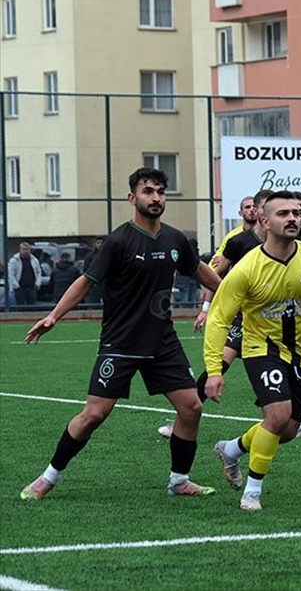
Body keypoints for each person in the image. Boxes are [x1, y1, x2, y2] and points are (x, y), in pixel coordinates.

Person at [19, 167, 224, 501]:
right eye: (148, 191)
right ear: (133, 198)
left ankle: (179, 480)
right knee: (94, 414)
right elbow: (86, 281)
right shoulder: (118, 241)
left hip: (162, 340)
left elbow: (202, 273)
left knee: (191, 408)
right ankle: (48, 477)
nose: (155, 197)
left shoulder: (175, 240)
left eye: (160, 191)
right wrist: (54, 316)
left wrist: (237, 299)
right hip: (121, 341)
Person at [204, 190, 301, 512]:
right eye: (283, 213)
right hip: (261, 349)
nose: (292, 218)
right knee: (276, 415)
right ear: (264, 221)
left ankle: (231, 448)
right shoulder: (247, 268)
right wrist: (215, 370)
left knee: (286, 430)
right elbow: (218, 319)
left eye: (296, 213)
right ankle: (252, 492)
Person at [8, 242, 48, 307]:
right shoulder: (14, 261)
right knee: (20, 307)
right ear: (20, 250)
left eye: (27, 249)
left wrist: (37, 284)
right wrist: (16, 286)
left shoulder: (35, 260)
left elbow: (38, 272)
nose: (26, 251)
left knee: (32, 307)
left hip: (32, 288)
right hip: (20, 288)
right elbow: (11, 274)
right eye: (24, 249)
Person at [82, 236, 105, 305]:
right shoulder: (90, 256)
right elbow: (86, 270)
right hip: (94, 283)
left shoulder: (107, 254)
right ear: (95, 244)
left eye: (101, 243)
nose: (100, 245)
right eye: (98, 243)